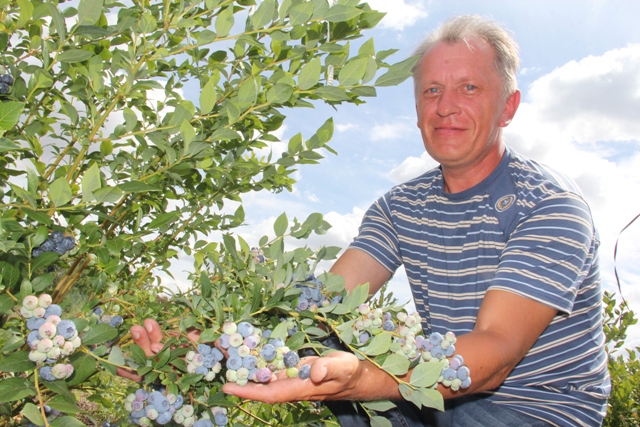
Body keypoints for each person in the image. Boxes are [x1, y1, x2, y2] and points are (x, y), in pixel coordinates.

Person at [121, 15, 611, 427]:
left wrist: (366, 378)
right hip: (435, 399)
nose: (445, 107)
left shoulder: (549, 205)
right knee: (320, 334)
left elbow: (496, 351)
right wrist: (206, 348)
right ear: (416, 110)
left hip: (536, 410)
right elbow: (321, 303)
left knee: (357, 372)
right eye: (432, 91)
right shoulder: (401, 207)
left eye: (469, 87)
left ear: (508, 106)